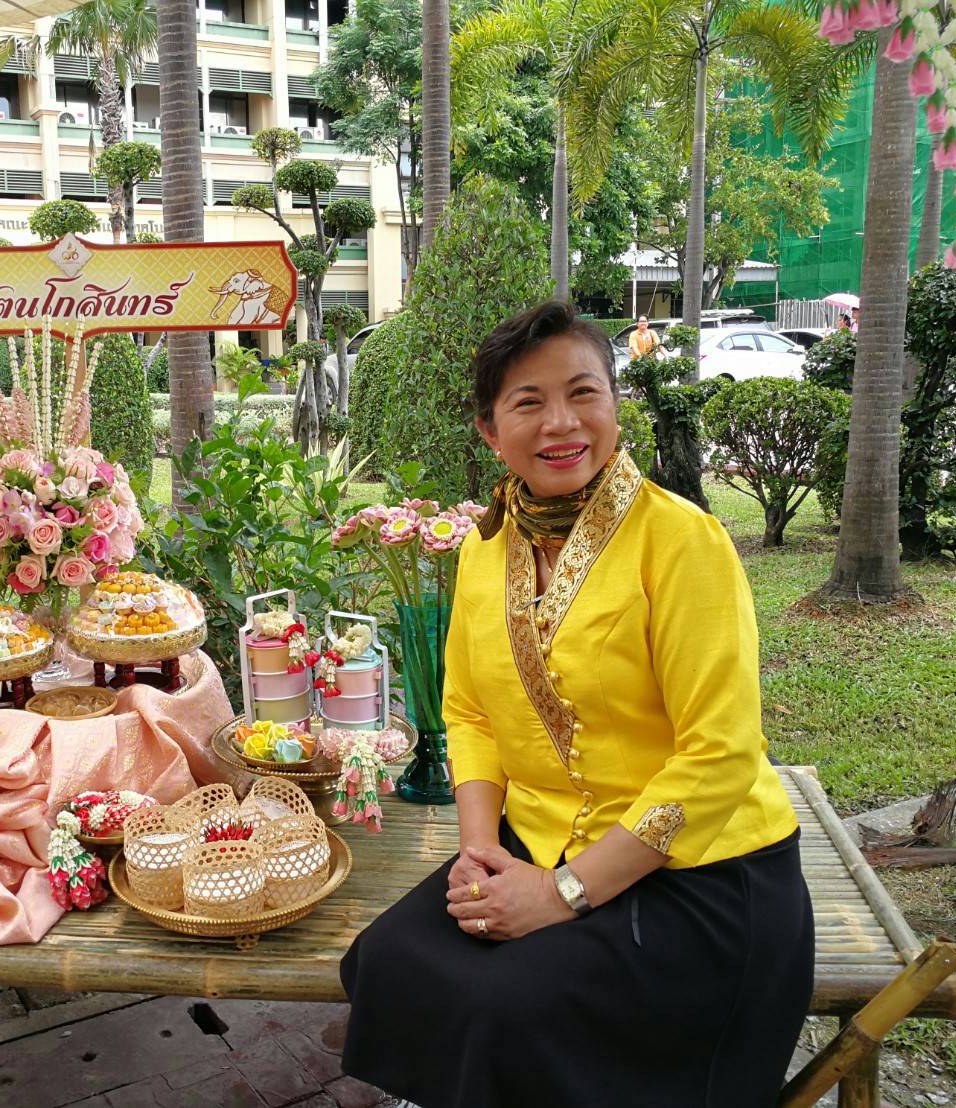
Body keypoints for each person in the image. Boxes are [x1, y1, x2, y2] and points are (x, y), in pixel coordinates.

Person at [340, 302, 813, 1108]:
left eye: (583, 393)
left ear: (614, 405)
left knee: (502, 1007)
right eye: (528, 402)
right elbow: (469, 713)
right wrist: (478, 856)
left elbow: (720, 755)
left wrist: (561, 893)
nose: (561, 423)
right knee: (384, 958)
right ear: (490, 431)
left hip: (696, 870)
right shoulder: (485, 548)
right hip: (531, 843)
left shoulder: (681, 541)